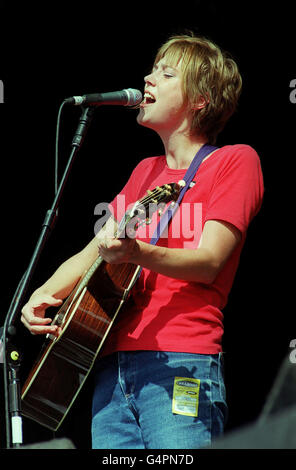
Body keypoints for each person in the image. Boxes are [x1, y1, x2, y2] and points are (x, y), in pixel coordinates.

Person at [21, 33, 264, 449]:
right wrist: (42, 293)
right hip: (111, 368)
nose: (148, 79)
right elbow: (93, 252)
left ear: (200, 100)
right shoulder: (144, 172)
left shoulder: (234, 161)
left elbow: (209, 262)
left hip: (181, 362)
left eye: (166, 73)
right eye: (152, 69)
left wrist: (136, 251)